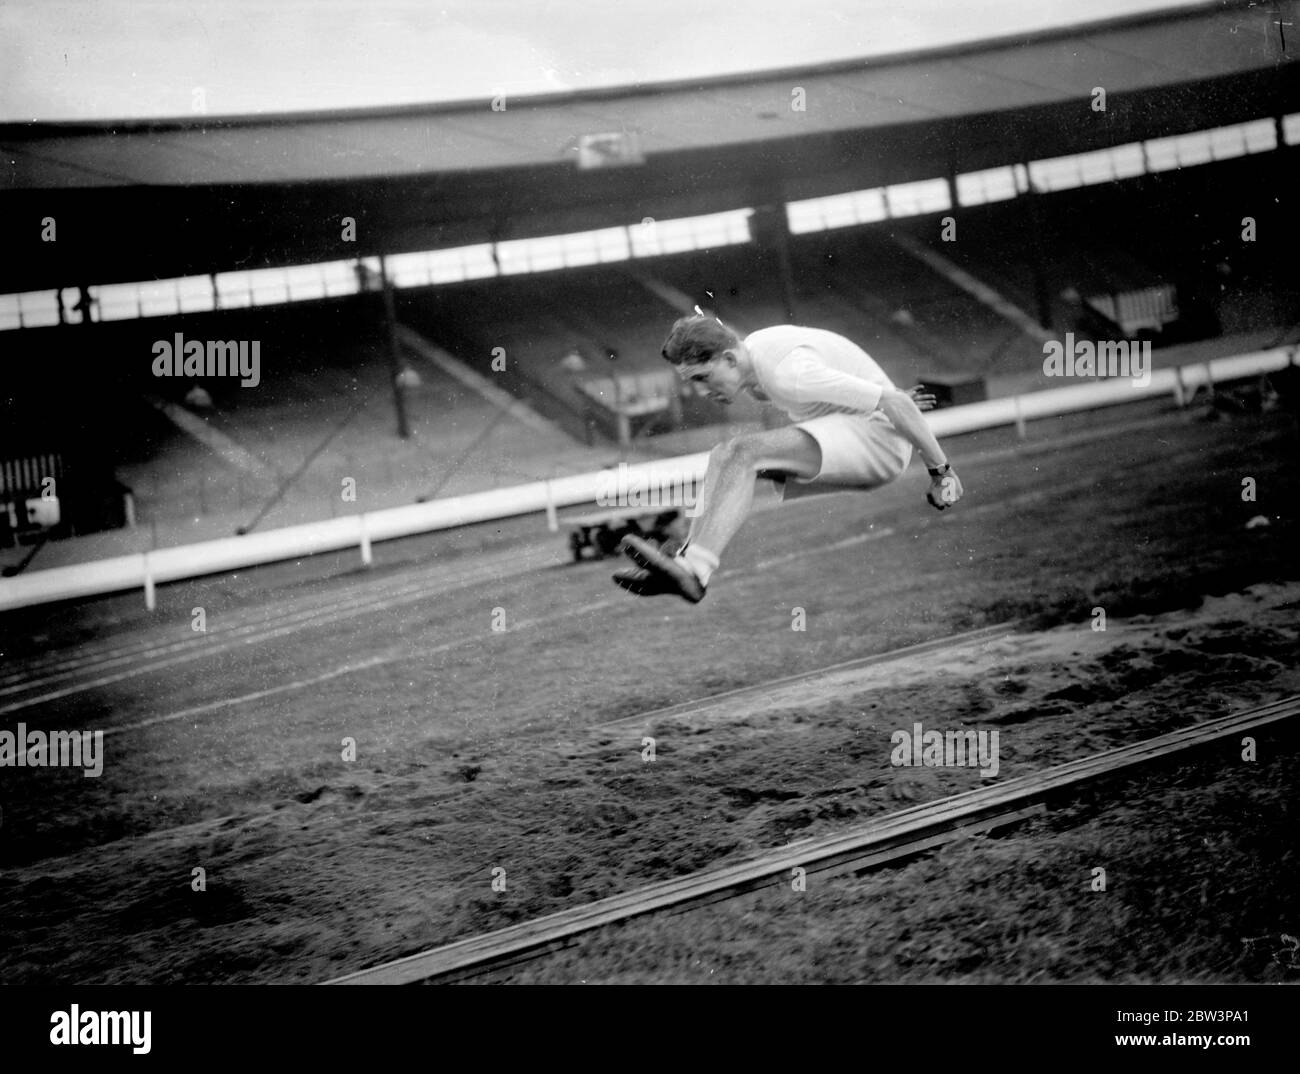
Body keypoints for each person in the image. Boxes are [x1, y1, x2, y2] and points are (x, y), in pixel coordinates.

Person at [613, 313, 964, 602]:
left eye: (704, 378)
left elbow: (894, 403)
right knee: (724, 455)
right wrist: (880, 393)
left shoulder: (787, 373)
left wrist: (942, 472)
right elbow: (859, 381)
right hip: (851, 427)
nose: (702, 392)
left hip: (878, 444)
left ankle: (695, 568)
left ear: (730, 359)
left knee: (742, 452)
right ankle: (687, 565)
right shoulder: (756, 357)